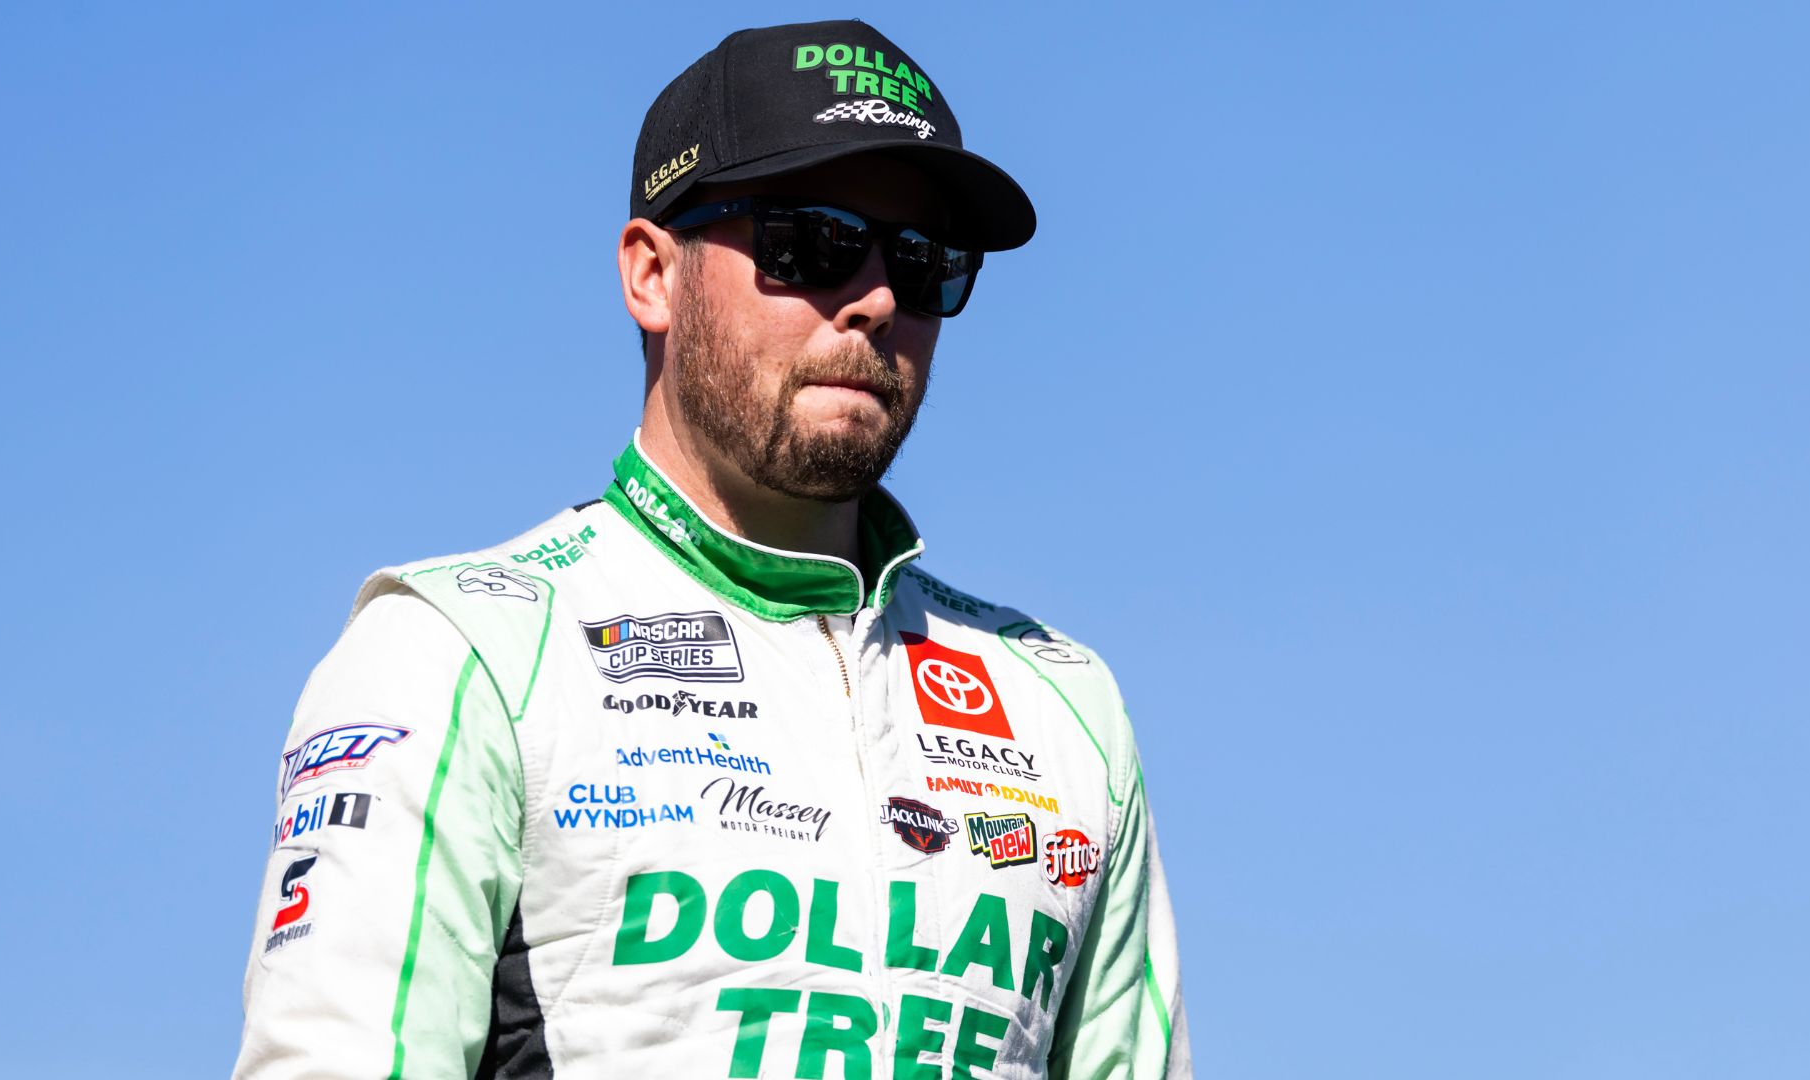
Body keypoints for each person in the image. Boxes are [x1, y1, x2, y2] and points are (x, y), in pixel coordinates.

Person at [233, 19, 1189, 1079]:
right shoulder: (459, 653)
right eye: (812, 241)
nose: (877, 299)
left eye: (924, 263)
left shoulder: (1065, 709)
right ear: (653, 274)